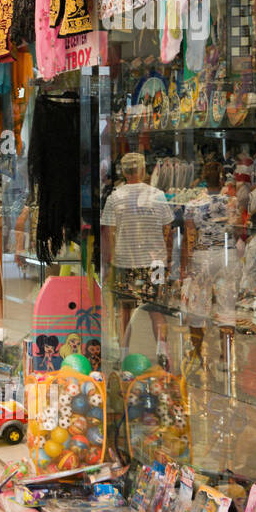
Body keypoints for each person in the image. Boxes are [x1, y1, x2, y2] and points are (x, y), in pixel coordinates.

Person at [101, 152, 174, 365]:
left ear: (123, 171)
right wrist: (165, 257)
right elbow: (167, 228)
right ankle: (162, 352)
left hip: (125, 262)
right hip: (156, 264)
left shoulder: (115, 197)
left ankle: (123, 356)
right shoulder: (157, 195)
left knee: (125, 311)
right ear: (143, 170)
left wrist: (108, 262)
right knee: (156, 309)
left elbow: (107, 233)